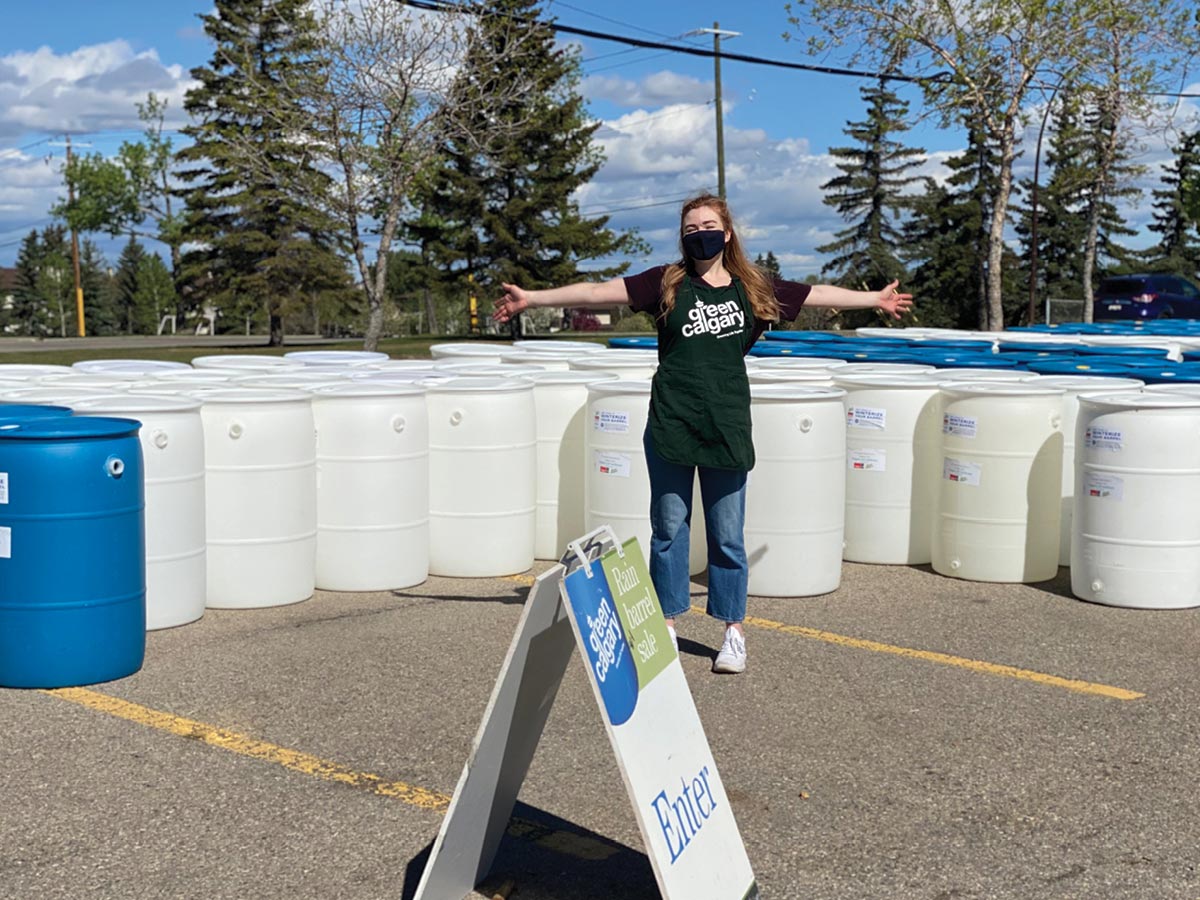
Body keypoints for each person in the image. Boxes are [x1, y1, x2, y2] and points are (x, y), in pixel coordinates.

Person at [494, 193, 913, 674]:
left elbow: (815, 293)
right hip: (672, 422)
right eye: (690, 228)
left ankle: (733, 631)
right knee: (669, 532)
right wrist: (534, 298)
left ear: (728, 232)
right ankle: (667, 625)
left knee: (728, 536)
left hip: (726, 426)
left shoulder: (753, 287)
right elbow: (595, 293)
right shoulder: (666, 282)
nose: (700, 234)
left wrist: (873, 299)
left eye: (708, 225)